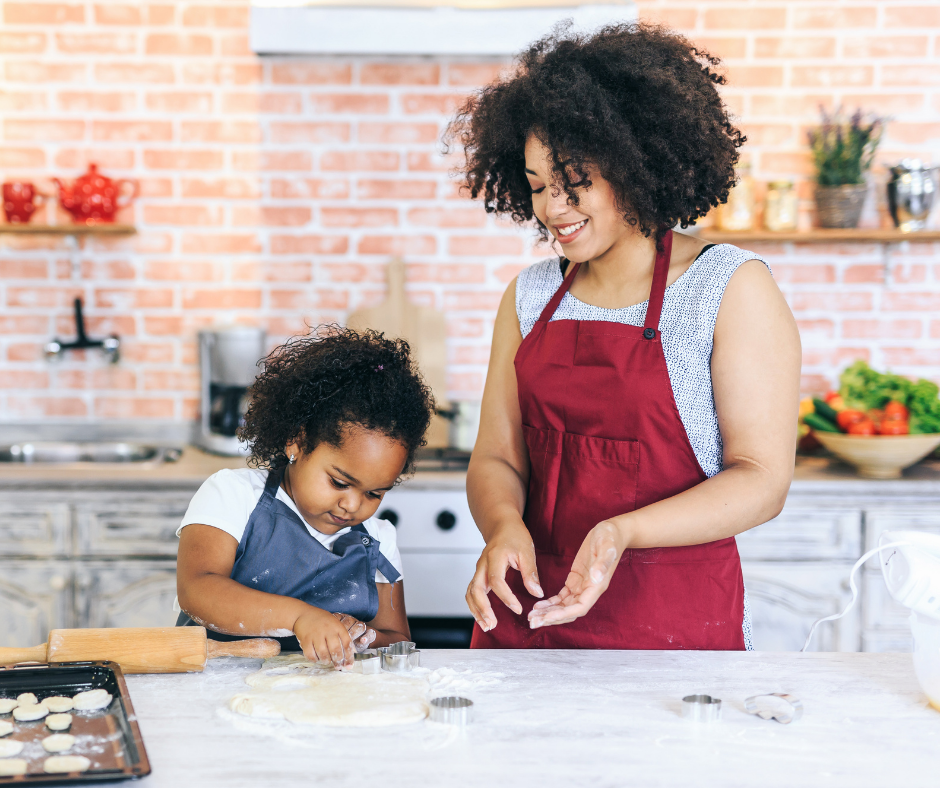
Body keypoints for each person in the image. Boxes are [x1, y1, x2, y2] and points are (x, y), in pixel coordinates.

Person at [449, 22, 801, 649]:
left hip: (669, 625)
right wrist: (503, 526)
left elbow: (761, 479)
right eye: (536, 185)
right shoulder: (530, 297)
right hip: (528, 617)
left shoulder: (728, 289)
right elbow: (497, 457)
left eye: (574, 180)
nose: (553, 208)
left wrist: (621, 532)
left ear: (637, 161)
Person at [175, 327, 434, 668]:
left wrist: (359, 636)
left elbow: (397, 639)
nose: (353, 505)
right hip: (214, 690)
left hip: (319, 705)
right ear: (296, 442)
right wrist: (301, 617)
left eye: (374, 493)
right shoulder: (233, 495)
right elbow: (198, 590)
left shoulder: (378, 542)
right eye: (339, 482)